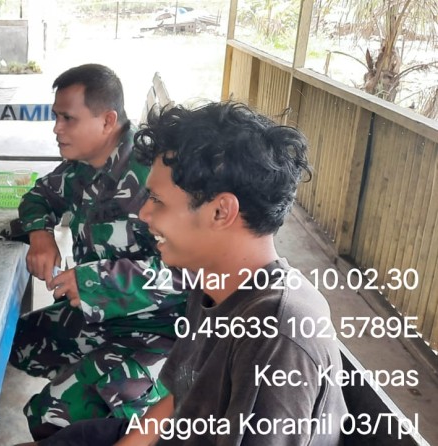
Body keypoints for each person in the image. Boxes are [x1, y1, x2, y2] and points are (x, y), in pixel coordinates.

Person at [38, 101, 347, 445]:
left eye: (157, 200)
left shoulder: (277, 336)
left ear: (220, 211)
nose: (143, 214)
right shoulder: (214, 283)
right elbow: (177, 398)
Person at [11, 63, 187, 440]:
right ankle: (83, 375)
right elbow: (39, 195)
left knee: (50, 417)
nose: (56, 128)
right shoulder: (84, 167)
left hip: (158, 328)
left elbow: (190, 273)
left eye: (67, 119)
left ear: (107, 121)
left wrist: (93, 281)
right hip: (99, 315)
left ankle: (119, 404)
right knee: (14, 342)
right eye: (56, 117)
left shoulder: (156, 174)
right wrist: (40, 235)